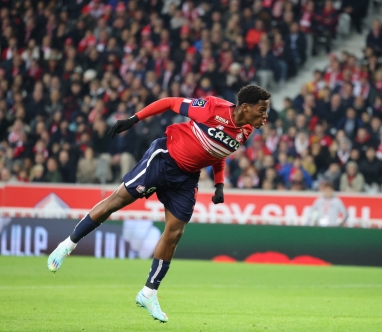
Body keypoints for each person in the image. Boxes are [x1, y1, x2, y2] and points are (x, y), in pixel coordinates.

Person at [46, 85, 271, 323]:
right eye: (262, 109)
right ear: (245, 107)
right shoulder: (211, 108)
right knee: (116, 202)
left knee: (175, 232)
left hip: (186, 178)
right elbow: (170, 102)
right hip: (164, 159)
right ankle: (67, 246)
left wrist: (219, 184)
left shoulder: (245, 130)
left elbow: (218, 152)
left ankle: (149, 293)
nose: (265, 115)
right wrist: (134, 119)